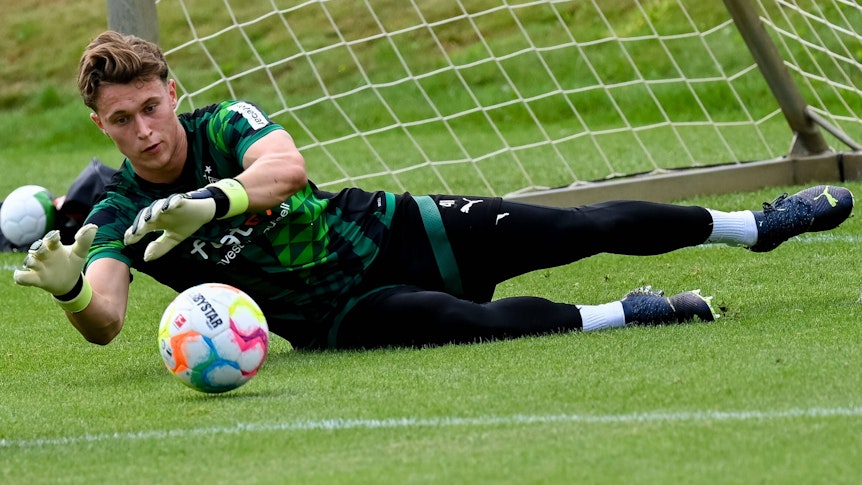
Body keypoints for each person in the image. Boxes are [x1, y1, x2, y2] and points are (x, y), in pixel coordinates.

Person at [13, 31, 855, 350]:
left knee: (578, 225)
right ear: (101, 125)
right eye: (122, 120)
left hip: (387, 229)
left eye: (151, 106)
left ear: (169, 88)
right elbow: (110, 317)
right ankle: (632, 313)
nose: (145, 130)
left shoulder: (226, 121)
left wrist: (219, 200)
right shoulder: (118, 209)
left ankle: (757, 225)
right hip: (333, 314)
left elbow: (288, 170)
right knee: (466, 324)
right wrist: (72, 292)